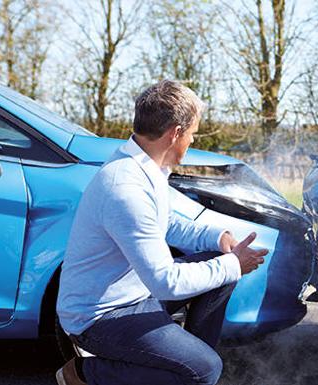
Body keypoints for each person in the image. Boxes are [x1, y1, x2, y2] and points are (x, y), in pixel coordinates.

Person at [55, 80, 268, 385]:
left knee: (219, 265)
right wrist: (235, 263)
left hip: (135, 293)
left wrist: (219, 239)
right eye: (192, 133)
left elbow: (166, 224)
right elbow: (165, 282)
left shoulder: (145, 168)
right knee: (206, 369)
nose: (192, 141)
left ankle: (185, 369)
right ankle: (85, 373)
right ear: (176, 133)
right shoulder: (125, 187)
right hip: (99, 317)